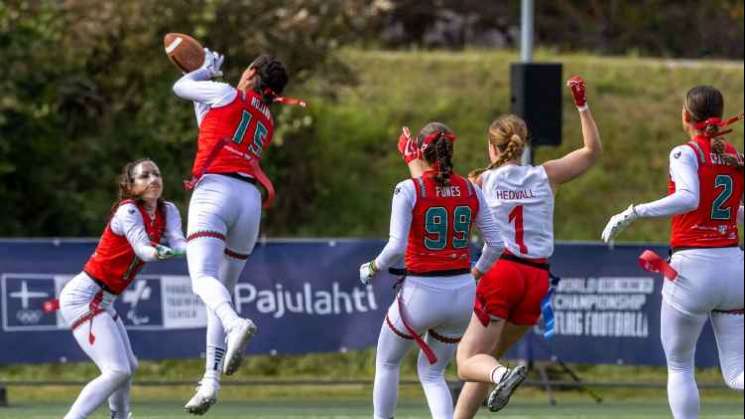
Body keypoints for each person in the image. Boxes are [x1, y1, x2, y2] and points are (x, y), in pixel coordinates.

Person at [452, 76, 602, 417]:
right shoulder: (546, 175)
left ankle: (503, 374)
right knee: (484, 362)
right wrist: (581, 105)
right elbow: (592, 151)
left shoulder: (481, 180)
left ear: (492, 148)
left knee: (467, 362)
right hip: (537, 280)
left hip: (501, 272)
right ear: (524, 145)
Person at [602, 85, 743, 419]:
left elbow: (689, 197)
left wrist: (632, 212)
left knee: (680, 366)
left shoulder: (686, 153)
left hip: (694, 268)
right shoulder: (734, 155)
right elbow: (736, 211)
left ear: (685, 115)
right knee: (737, 373)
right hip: (734, 267)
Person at [172, 48, 299, 415]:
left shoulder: (228, 93)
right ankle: (210, 381)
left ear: (253, 71)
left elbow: (180, 88)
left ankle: (235, 324)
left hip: (215, 191)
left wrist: (202, 72)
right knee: (221, 291)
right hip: (249, 201)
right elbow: (210, 129)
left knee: (202, 281)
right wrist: (207, 78)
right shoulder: (267, 118)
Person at [359, 122, 504, 419]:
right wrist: (476, 273)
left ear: (421, 152)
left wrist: (373, 267)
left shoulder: (408, 189)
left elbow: (396, 247)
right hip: (462, 291)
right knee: (433, 373)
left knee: (387, 362)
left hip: (422, 291)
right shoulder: (470, 189)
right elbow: (497, 244)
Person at [58, 158, 186, 419]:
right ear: (130, 186)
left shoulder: (169, 210)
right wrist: (160, 251)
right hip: (83, 297)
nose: (153, 180)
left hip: (103, 300)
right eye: (144, 176)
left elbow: (180, 243)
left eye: (157, 174)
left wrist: (204, 246)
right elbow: (143, 249)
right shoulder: (127, 210)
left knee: (128, 366)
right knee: (117, 371)